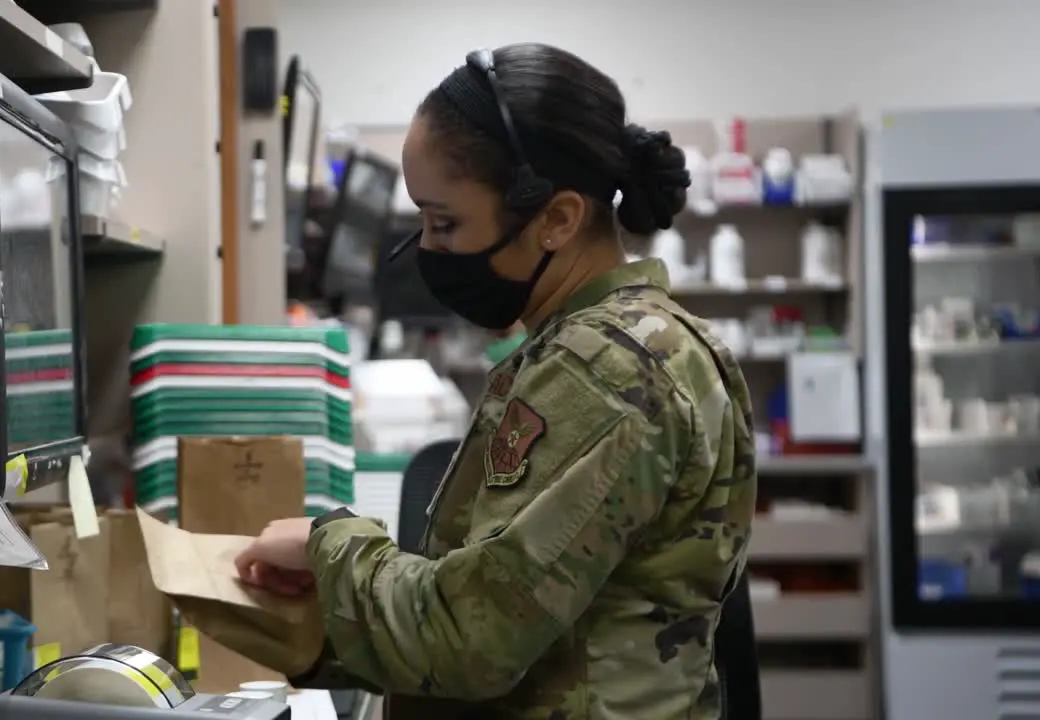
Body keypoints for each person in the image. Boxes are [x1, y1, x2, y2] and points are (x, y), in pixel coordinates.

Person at [235, 42, 757, 720]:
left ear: (558, 219)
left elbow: (470, 635)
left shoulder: (606, 367)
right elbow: (524, 613)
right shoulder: (623, 343)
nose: (427, 250)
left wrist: (327, 543)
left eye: (446, 223)